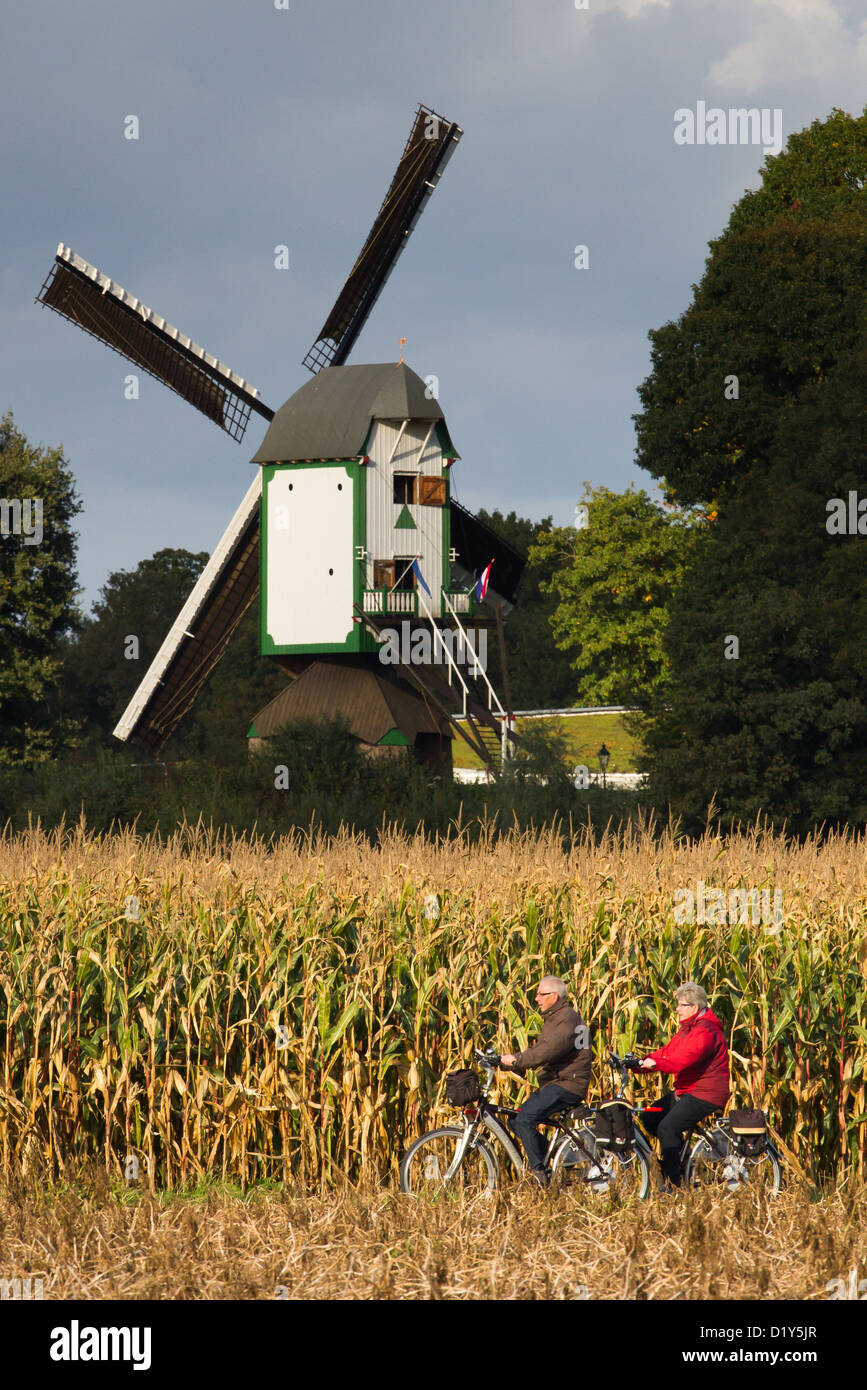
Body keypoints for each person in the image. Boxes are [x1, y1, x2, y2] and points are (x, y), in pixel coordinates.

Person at [499, 976, 592, 1187]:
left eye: (541, 994)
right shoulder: (555, 1018)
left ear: (554, 996)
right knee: (515, 1120)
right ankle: (563, 1160)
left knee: (524, 1119)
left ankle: (539, 1176)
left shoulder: (567, 1018)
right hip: (558, 1082)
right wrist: (513, 1059)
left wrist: (517, 1060)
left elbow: (548, 1051)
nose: (537, 998)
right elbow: (541, 1049)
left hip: (568, 1084)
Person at [638, 981, 730, 1189]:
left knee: (667, 1128)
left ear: (694, 1008)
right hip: (686, 1090)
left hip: (706, 1093)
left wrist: (658, 1064)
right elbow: (668, 1052)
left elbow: (685, 1058)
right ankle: (680, 1159)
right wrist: (640, 1063)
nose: (677, 1009)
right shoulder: (688, 1029)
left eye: (681, 1005)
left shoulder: (705, 1030)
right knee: (649, 1114)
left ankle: (675, 1183)